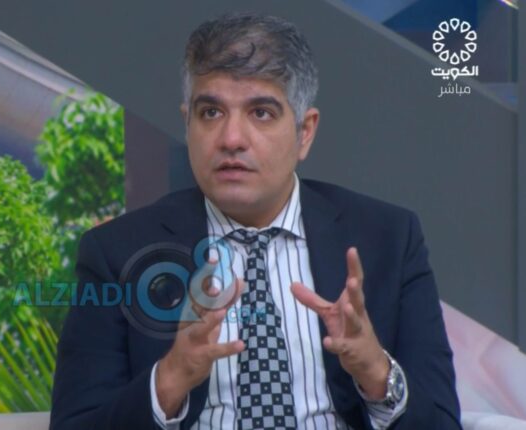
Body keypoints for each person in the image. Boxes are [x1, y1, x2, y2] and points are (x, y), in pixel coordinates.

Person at [50, 12, 461, 430]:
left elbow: (443, 423)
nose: (231, 139)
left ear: (304, 132)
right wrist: (170, 379)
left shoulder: (388, 239)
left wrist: (375, 372)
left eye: (261, 113)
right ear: (187, 124)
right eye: (211, 112)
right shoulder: (119, 254)